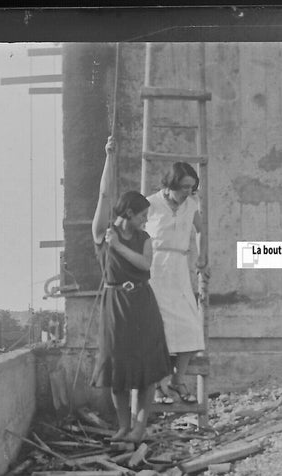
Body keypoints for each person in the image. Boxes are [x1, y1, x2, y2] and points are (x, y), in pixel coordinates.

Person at [90, 137, 171, 442]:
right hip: (115, 306)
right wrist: (109, 156)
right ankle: (124, 426)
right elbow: (103, 194)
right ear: (129, 213)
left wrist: (119, 248)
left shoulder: (144, 238)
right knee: (118, 369)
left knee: (146, 367)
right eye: (142, 215)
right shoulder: (103, 233)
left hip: (142, 303)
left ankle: (140, 426)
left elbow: (145, 266)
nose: (145, 220)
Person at [145, 162, 209, 404]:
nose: (187, 193)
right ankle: (158, 384)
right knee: (158, 329)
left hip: (179, 269)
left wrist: (202, 256)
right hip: (155, 268)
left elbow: (201, 231)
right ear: (170, 184)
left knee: (191, 328)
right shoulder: (151, 203)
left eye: (191, 188)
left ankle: (177, 379)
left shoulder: (191, 205)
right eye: (183, 187)